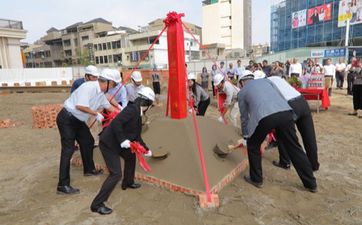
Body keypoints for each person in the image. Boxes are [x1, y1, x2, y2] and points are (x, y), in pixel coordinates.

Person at [237, 72, 317, 192]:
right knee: (294, 147)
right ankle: (311, 183)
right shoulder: (267, 82)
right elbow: (280, 96)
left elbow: (244, 117)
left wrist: (246, 135)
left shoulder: (242, 92)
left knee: (253, 145)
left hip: (264, 117)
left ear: (241, 82)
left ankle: (256, 179)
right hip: (285, 112)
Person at [90, 87, 155, 215]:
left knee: (131, 155)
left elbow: (136, 136)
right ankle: (96, 205)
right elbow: (116, 124)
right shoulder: (131, 110)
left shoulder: (137, 112)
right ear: (146, 103)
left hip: (118, 142)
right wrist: (122, 140)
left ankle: (128, 182)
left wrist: (146, 150)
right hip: (109, 144)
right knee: (115, 174)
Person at [56, 71, 117, 195]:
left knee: (88, 141)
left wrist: (121, 111)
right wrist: (95, 114)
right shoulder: (89, 87)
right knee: (68, 150)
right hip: (67, 118)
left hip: (78, 120)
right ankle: (63, 185)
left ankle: (89, 169)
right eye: (113, 85)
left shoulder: (100, 92)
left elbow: (108, 106)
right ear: (106, 82)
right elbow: (80, 106)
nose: (112, 88)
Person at [268, 76, 320, 171]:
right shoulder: (276, 78)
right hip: (301, 101)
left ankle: (285, 162)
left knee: (284, 135)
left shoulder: (264, 84)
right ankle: (314, 164)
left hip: (289, 105)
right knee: (309, 136)